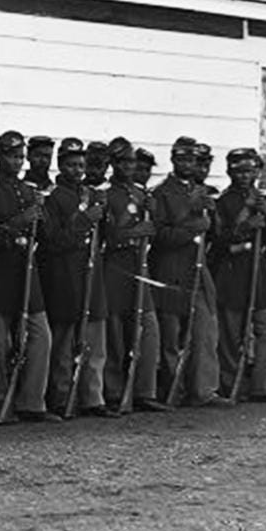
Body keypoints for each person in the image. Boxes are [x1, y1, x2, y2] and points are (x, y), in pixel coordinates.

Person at [0, 131, 57, 423]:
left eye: (21, 156)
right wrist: (17, 223)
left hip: (26, 271)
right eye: (12, 156)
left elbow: (46, 237)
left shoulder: (30, 191)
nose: (17, 162)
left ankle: (32, 400)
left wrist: (40, 216)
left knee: (40, 335)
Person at [151, 137, 228, 407]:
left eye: (192, 160)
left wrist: (211, 215)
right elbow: (160, 235)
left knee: (205, 328)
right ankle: (174, 390)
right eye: (182, 159)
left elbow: (215, 233)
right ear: (173, 160)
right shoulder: (162, 193)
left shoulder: (202, 191)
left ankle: (204, 389)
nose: (188, 165)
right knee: (172, 334)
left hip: (198, 265)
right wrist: (192, 222)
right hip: (172, 267)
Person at [40, 137, 113, 417]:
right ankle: (60, 398)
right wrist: (85, 219)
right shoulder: (53, 196)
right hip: (65, 276)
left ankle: (93, 398)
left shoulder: (90, 194)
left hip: (90, 276)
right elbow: (53, 239)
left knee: (95, 342)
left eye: (80, 164)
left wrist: (101, 215)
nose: (77, 169)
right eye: (71, 164)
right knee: (63, 345)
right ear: (60, 165)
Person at [210, 148, 266, 402]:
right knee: (231, 334)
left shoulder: (262, 199)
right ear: (230, 171)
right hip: (232, 273)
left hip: (258, 271)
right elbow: (219, 240)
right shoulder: (223, 202)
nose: (245, 176)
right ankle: (230, 385)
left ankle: (264, 385)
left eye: (250, 170)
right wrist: (246, 224)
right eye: (239, 170)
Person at [102, 139, 169, 412]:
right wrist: (134, 232)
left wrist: (152, 216)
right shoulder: (105, 194)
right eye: (122, 162)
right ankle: (115, 392)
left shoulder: (142, 194)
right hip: (115, 266)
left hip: (139, 265)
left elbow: (157, 228)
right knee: (116, 333)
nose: (128, 167)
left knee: (148, 331)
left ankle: (144, 390)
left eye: (131, 162)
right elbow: (108, 236)